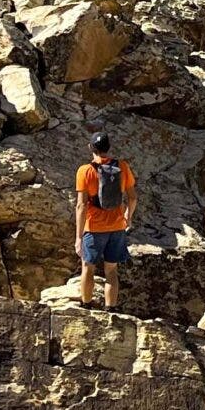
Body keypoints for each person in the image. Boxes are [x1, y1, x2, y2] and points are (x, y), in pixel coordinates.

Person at [73, 131, 137, 310]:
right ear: (109, 147)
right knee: (111, 270)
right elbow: (132, 198)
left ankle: (86, 305)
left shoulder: (85, 171)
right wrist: (128, 217)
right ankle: (111, 309)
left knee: (88, 267)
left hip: (94, 228)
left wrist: (78, 237)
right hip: (117, 227)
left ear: (90, 148)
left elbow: (81, 206)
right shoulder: (122, 167)